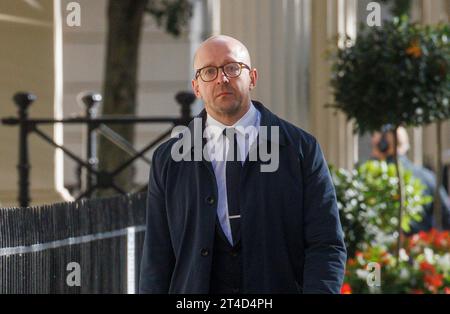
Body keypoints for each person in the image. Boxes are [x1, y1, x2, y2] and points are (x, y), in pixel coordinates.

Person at [139, 35, 346, 294]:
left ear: (252, 78)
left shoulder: (300, 149)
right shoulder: (169, 159)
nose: (221, 78)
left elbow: (325, 243)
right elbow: (157, 255)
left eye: (232, 68)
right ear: (196, 87)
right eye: (209, 71)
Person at [370, 126, 450, 233]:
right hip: (418, 245)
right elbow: (446, 215)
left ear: (383, 145)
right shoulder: (427, 176)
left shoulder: (374, 177)